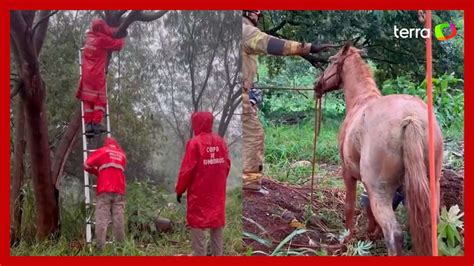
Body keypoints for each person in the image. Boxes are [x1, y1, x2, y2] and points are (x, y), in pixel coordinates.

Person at [242, 10, 336, 194]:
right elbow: (271, 44)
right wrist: (308, 47)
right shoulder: (244, 30)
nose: (258, 15)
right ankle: (249, 185)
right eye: (256, 11)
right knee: (253, 135)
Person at [175, 112, 231, 256]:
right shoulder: (221, 142)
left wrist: (180, 190)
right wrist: (218, 181)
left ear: (196, 123)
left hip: (199, 193)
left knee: (197, 224)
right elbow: (227, 165)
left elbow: (187, 170)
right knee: (216, 223)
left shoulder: (195, 143)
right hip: (217, 192)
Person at [76, 19, 126, 138]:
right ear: (101, 28)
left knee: (88, 100)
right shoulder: (102, 40)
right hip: (97, 75)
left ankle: (89, 126)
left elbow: (106, 31)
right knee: (99, 100)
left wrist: (114, 30)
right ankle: (96, 123)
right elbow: (118, 45)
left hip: (86, 74)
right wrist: (121, 35)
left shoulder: (89, 37)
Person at [84, 136, 127, 251]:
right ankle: (120, 249)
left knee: (102, 221)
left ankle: (99, 250)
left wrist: (98, 172)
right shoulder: (122, 155)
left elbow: (86, 165)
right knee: (118, 221)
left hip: (104, 189)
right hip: (119, 191)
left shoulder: (103, 151)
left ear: (106, 144)